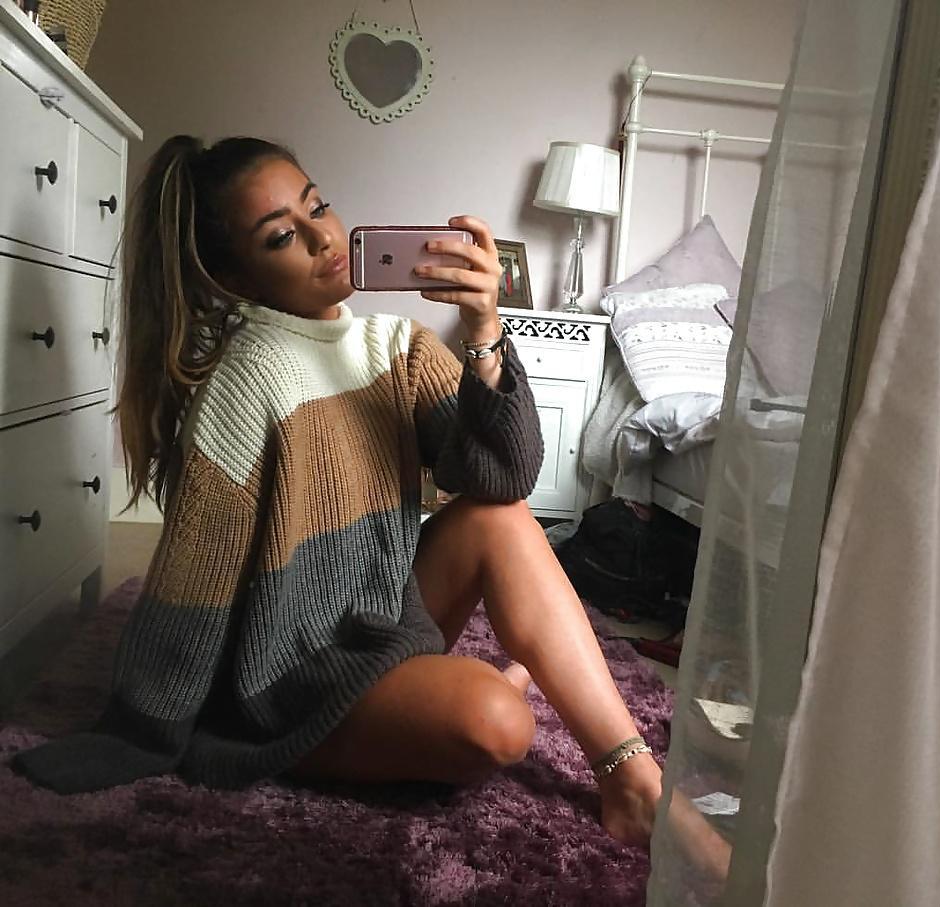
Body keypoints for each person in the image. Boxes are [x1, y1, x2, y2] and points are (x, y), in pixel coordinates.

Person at [11, 135, 730, 876]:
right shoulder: (243, 388)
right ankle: (488, 689)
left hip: (379, 623)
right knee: (499, 724)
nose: (323, 237)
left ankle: (635, 782)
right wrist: (143, 727)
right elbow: (193, 584)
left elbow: (504, 476)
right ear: (233, 277)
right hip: (291, 679)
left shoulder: (397, 346)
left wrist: (487, 332)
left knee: (500, 518)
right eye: (282, 236)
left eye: (317, 206)